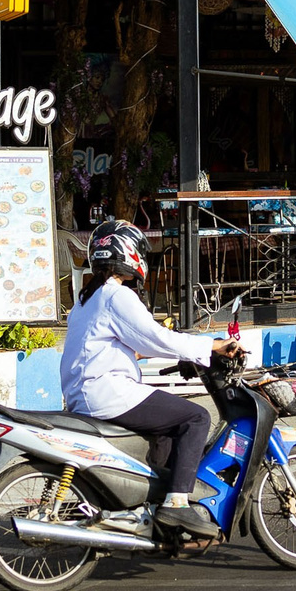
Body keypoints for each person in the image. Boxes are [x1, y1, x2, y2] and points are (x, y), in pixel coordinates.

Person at [60, 220, 241, 539]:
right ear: (127, 253)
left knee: (166, 431)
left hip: (86, 391)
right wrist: (212, 345)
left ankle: (151, 506)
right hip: (106, 392)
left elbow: (121, 344)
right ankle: (177, 503)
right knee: (196, 417)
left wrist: (160, 353)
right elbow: (157, 337)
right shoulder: (116, 295)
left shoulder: (87, 299)